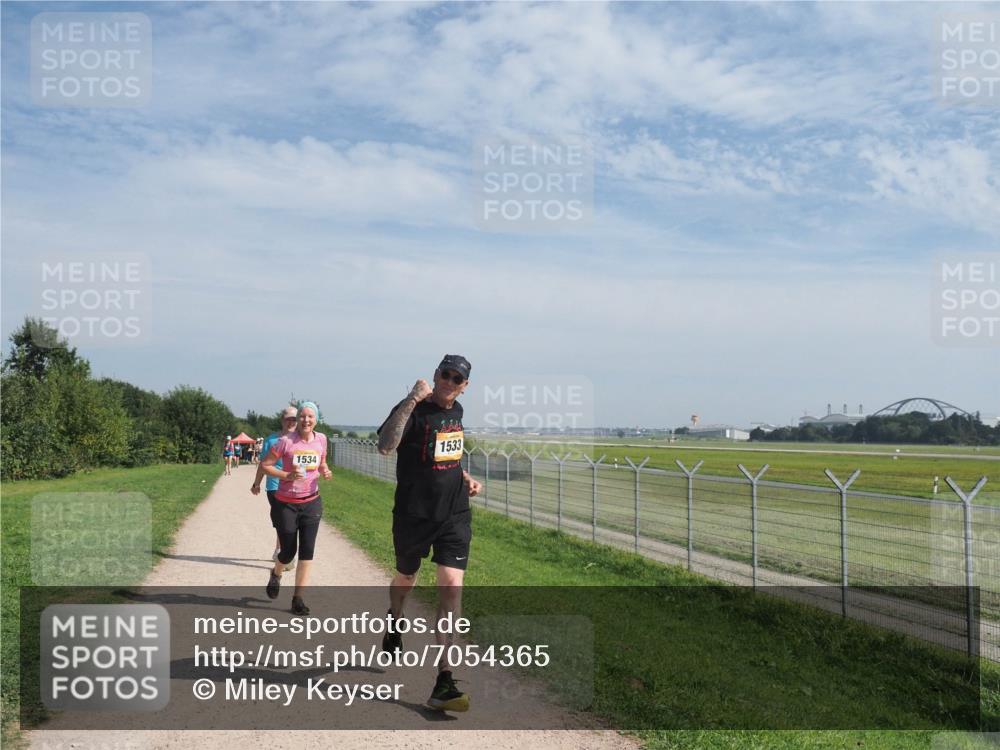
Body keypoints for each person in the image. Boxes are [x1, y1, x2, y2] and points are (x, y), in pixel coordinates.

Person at [377, 354, 482, 712]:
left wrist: (463, 476)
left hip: (453, 514)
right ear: (435, 374)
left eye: (457, 379)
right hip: (413, 515)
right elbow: (386, 446)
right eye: (445, 374)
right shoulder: (413, 408)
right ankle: (394, 617)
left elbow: (446, 454)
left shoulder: (458, 413)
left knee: (452, 587)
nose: (449, 382)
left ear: (464, 386)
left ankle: (444, 681)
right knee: (407, 576)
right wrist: (411, 399)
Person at [259, 402, 332, 615]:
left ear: (316, 419)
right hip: (286, 503)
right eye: (302, 416)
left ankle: (298, 599)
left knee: (307, 552)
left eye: (310, 416)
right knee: (289, 551)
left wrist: (325, 471)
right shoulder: (285, 442)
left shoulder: (321, 440)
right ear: (298, 418)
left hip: (311, 502)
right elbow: (266, 465)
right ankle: (276, 572)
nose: (306, 420)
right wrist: (287, 476)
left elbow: (322, 462)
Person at [251, 407, 299, 571]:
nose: (291, 422)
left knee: (291, 522)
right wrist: (256, 483)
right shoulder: (272, 440)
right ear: (282, 420)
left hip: (296, 489)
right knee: (283, 521)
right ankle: (284, 554)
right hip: (275, 487)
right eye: (288, 418)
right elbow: (263, 465)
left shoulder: (301, 440)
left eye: (294, 419)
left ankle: (281, 550)